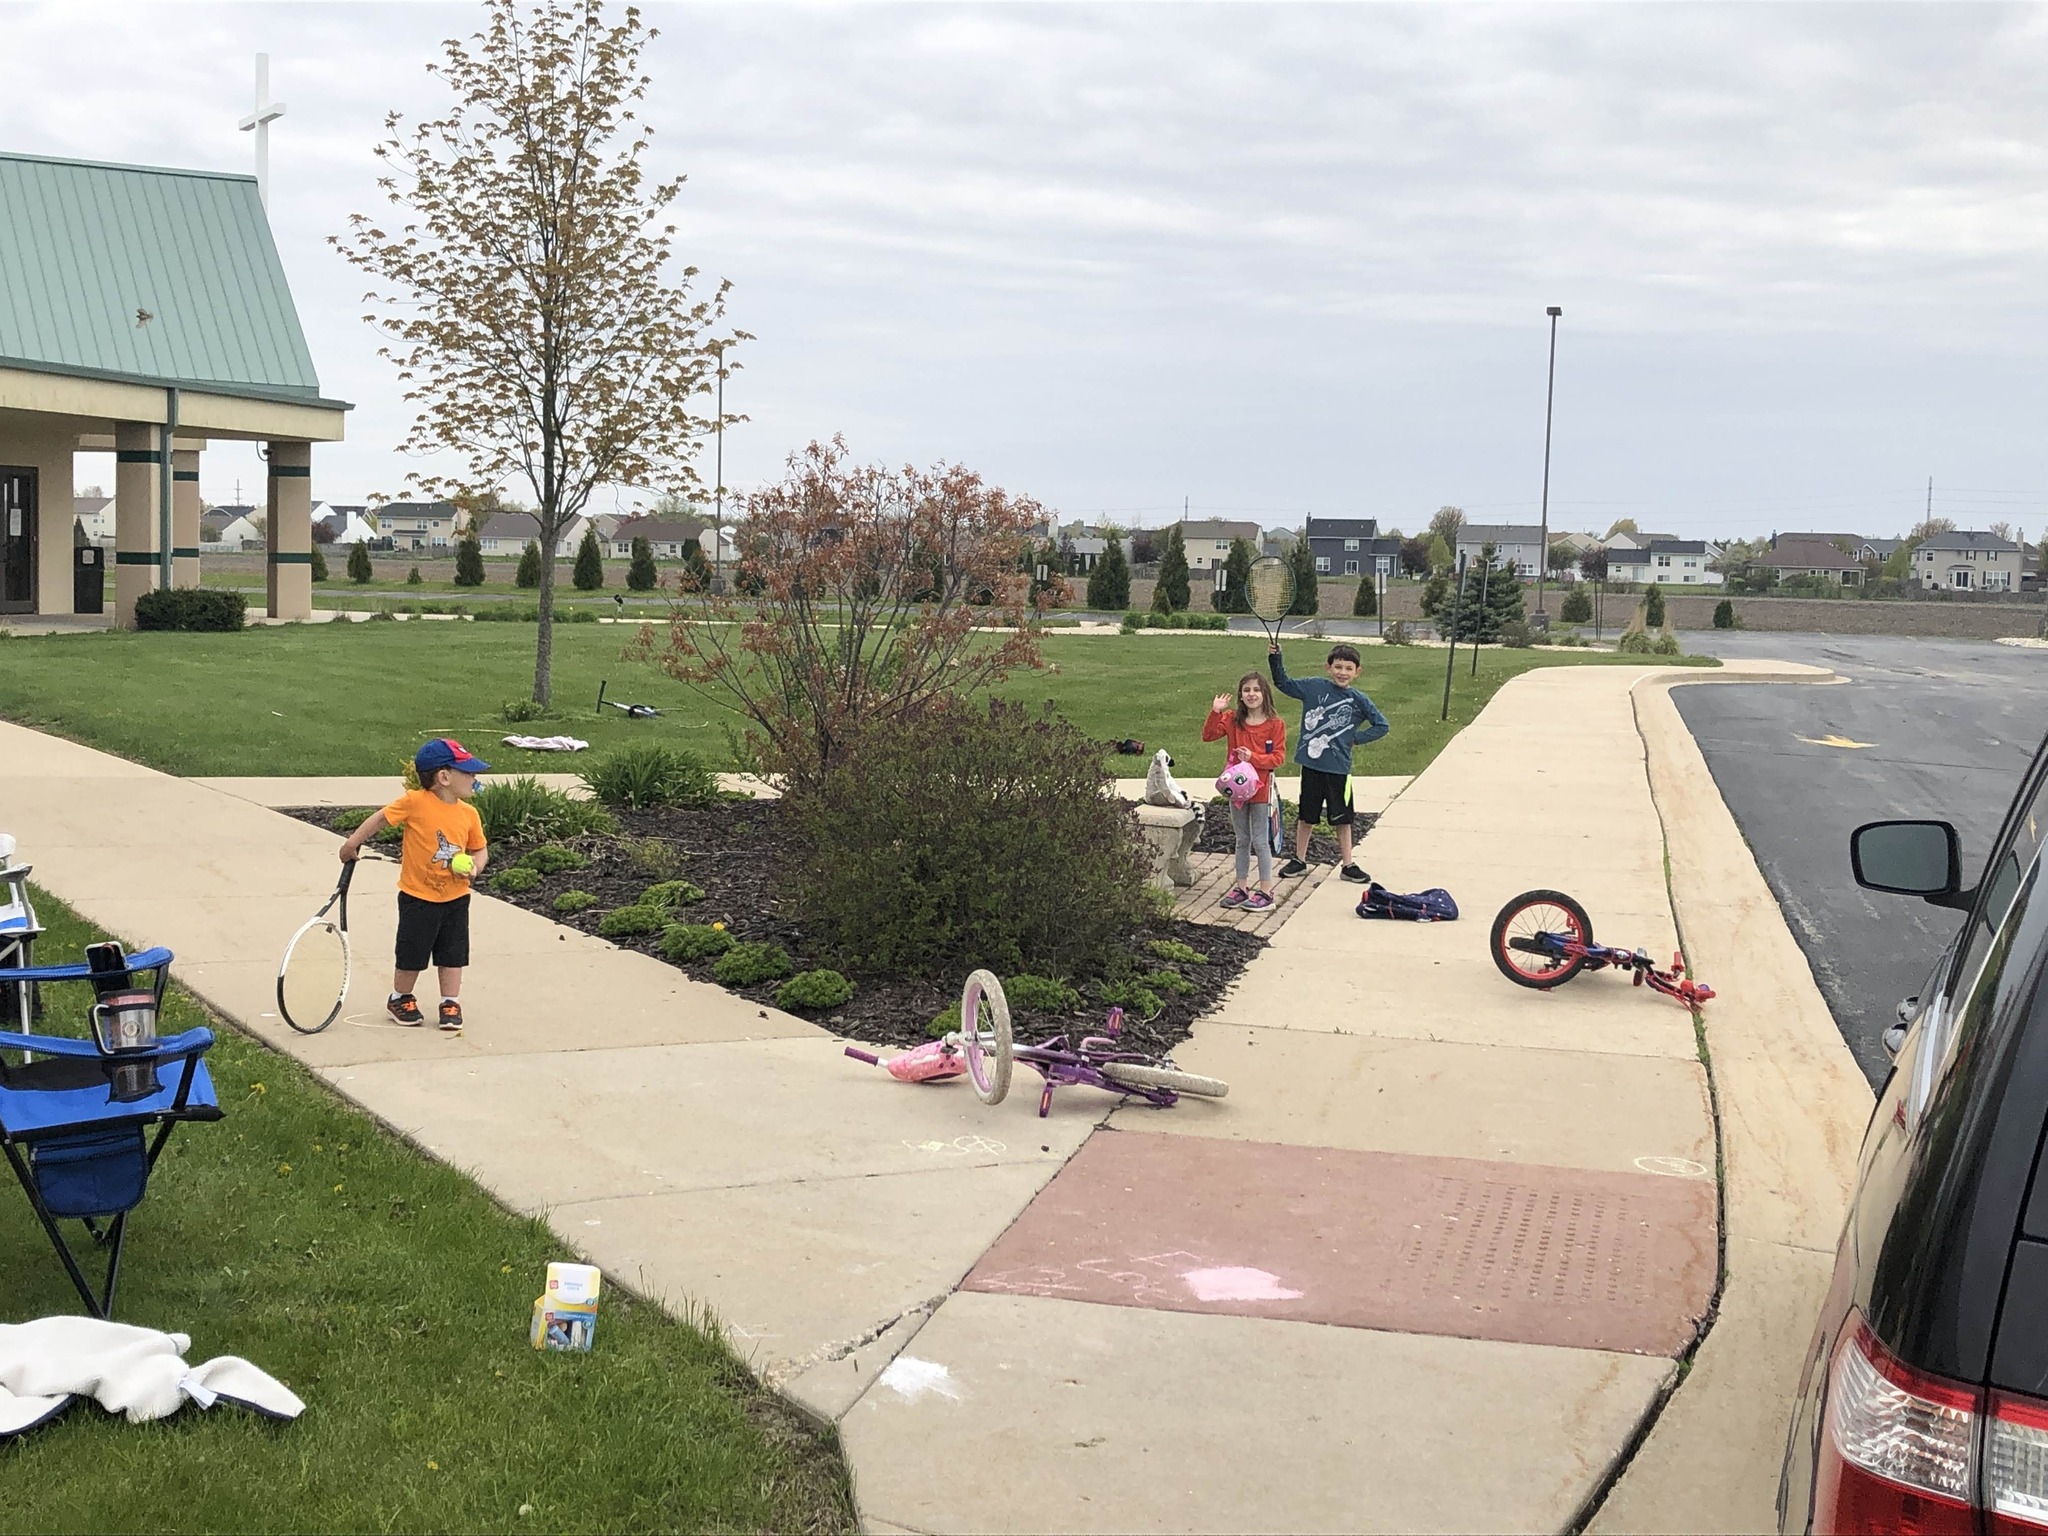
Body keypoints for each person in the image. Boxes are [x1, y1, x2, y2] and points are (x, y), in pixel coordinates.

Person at [338, 738, 490, 1032]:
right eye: (468, 772)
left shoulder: (469, 814)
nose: (475, 778)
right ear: (444, 778)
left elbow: (479, 849)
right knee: (412, 953)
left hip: (456, 897)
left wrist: (475, 868)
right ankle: (400, 997)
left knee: (453, 953)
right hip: (417, 897)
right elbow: (381, 818)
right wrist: (352, 842)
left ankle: (450, 1001)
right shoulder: (415, 802)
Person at [1268, 641, 1388, 882]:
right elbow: (1283, 683)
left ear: (1357, 672)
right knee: (1307, 814)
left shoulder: (1358, 700)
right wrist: (1275, 658)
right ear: (1328, 667)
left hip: (1339, 770)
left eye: (1348, 668)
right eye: (1338, 667)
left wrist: (1355, 738)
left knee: (1342, 818)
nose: (1342, 672)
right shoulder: (1314, 687)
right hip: (1312, 767)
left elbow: (1381, 725)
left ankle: (1348, 864)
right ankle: (1299, 860)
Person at [1203, 673, 1289, 911]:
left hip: (1260, 792)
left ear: (1265, 694)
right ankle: (1241, 887)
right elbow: (1208, 735)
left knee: (1261, 841)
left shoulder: (1275, 724)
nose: (1251, 694)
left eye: (1256, 690)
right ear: (1240, 695)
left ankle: (1266, 891)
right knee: (1242, 839)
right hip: (1237, 792)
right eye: (1246, 690)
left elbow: (1278, 758)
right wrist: (1216, 712)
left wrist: (1254, 758)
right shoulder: (1232, 720)